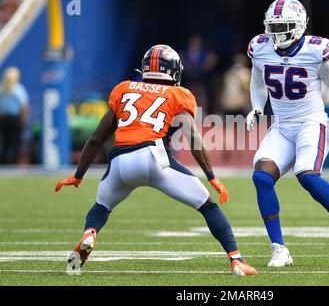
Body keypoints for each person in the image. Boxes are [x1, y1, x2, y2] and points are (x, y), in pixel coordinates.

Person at [55, 44, 256, 276]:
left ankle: (90, 233)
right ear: (174, 71)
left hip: (120, 162)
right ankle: (236, 260)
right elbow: (193, 138)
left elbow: (96, 139)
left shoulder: (124, 89)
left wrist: (77, 175)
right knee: (208, 205)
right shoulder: (178, 94)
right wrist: (212, 177)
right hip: (154, 158)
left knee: (101, 207)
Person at [246, 0, 329, 267]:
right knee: (261, 177)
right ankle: (279, 249)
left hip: (312, 123)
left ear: (299, 26)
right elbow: (257, 80)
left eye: (283, 26)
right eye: (272, 27)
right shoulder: (260, 47)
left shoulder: (315, 49)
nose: (277, 33)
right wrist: (256, 107)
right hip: (282, 125)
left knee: (307, 176)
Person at [0, 66, 29, 164]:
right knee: (16, 142)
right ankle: (13, 163)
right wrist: (24, 118)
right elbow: (24, 106)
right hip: (16, 119)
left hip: (4, 118)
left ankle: (3, 163)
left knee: (5, 142)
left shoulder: (2, 89)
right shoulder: (19, 89)